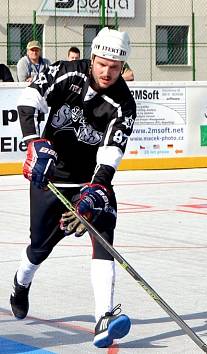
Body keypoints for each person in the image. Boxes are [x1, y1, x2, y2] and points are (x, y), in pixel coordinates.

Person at [10, 27, 136, 348]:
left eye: (115, 67)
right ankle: (21, 282)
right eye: (102, 64)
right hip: (50, 175)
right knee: (40, 246)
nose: (107, 73)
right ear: (92, 57)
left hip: (89, 179)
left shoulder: (123, 102)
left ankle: (103, 317)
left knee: (103, 237)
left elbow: (112, 151)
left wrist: (98, 189)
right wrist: (33, 142)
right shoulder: (67, 73)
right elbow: (28, 101)